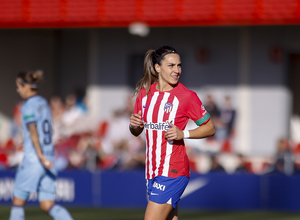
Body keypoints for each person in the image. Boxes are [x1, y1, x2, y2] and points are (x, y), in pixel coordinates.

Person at [129, 46, 216, 220]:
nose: (177, 70)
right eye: (171, 65)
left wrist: (184, 134)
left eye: (179, 65)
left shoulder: (186, 96)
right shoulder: (145, 95)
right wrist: (134, 125)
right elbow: (137, 131)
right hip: (152, 171)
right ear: (157, 67)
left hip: (173, 171)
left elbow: (210, 128)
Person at [9, 70, 73, 220]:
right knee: (47, 204)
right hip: (50, 159)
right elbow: (43, 131)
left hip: (35, 160)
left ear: (26, 86)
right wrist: (29, 143)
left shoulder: (27, 106)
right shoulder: (44, 103)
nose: (18, 90)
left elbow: (33, 131)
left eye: (19, 86)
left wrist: (39, 156)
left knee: (17, 203)